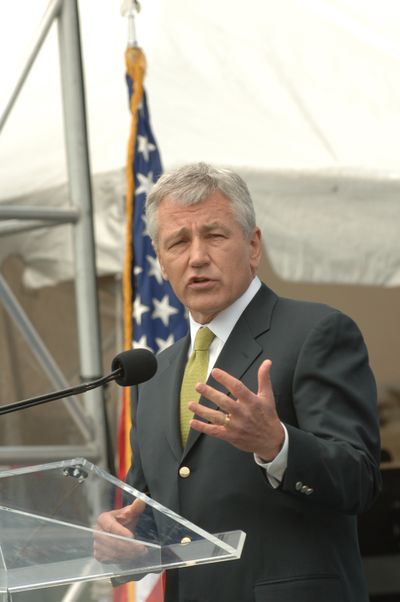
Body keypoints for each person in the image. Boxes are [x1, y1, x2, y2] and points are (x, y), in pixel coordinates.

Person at [95, 163, 381, 602]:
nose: (196, 257)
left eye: (214, 235)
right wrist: (125, 539)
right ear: (160, 260)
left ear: (252, 245)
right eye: (178, 242)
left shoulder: (318, 332)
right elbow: (159, 512)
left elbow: (359, 480)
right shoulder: (153, 374)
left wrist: (277, 444)